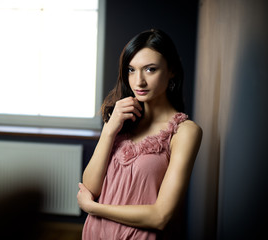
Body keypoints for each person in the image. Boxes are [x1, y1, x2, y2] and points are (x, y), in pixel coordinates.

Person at [77, 29, 202, 240]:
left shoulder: (185, 132)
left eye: (150, 69)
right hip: (95, 234)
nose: (139, 81)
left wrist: (94, 208)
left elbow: (161, 216)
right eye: (131, 70)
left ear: (171, 70)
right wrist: (109, 130)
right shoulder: (120, 120)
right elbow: (91, 186)